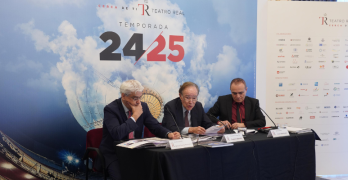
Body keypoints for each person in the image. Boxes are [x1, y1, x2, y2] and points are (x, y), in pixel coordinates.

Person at [99, 80, 181, 179]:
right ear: (123, 96)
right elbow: (117, 134)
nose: (138, 102)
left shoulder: (143, 106)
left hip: (135, 151)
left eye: (140, 98)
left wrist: (168, 134)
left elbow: (154, 125)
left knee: (154, 173)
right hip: (114, 153)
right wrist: (135, 117)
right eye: (135, 98)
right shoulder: (111, 109)